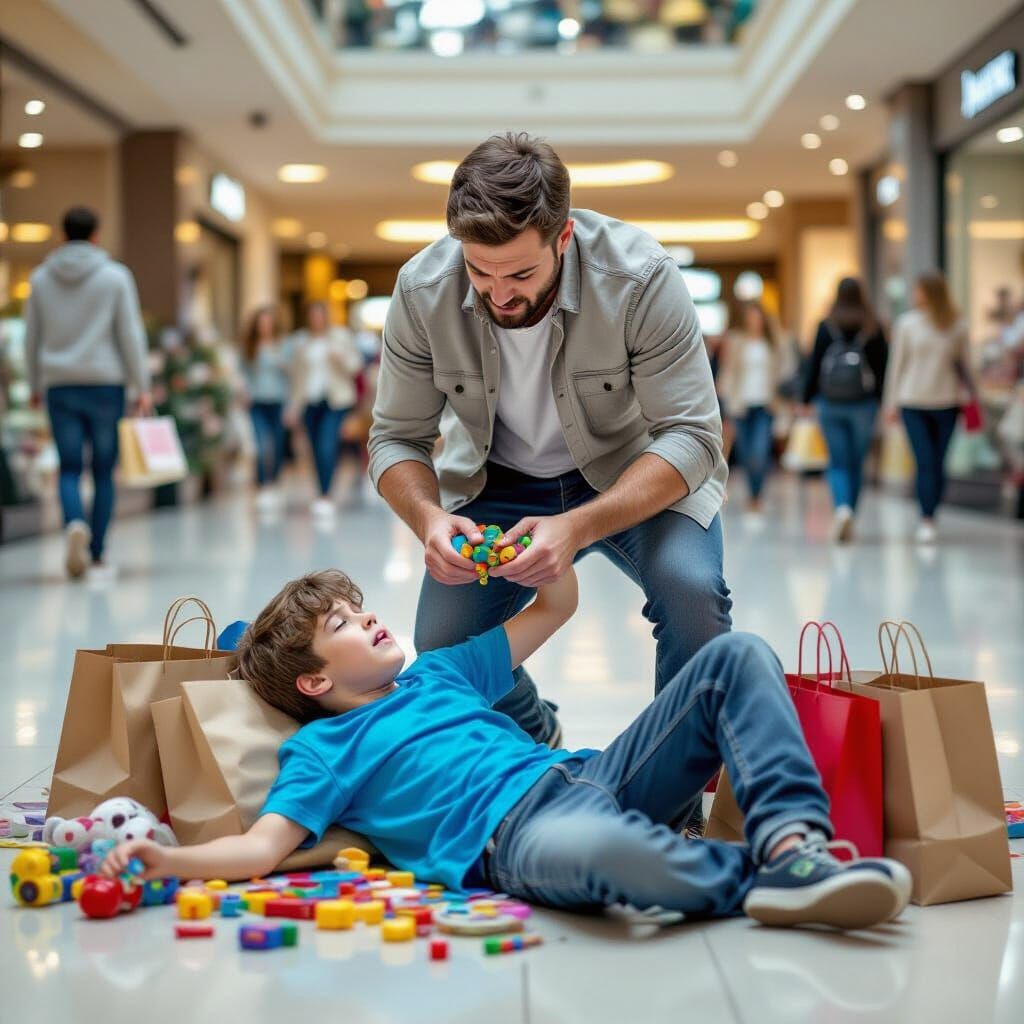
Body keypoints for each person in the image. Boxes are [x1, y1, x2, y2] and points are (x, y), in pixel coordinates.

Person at [100, 568, 910, 931]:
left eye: (357, 605)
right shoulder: (325, 750)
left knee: (736, 656)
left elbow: (556, 604)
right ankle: (761, 884)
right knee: (613, 853)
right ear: (312, 684)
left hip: (589, 774)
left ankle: (794, 848)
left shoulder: (442, 672)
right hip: (516, 839)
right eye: (340, 624)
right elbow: (258, 848)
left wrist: (518, 554)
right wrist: (162, 862)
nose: (367, 616)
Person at [368, 132, 732, 769]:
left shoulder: (640, 276)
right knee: (444, 644)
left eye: (520, 274)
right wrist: (428, 520)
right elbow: (395, 437)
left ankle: (677, 787)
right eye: (479, 271)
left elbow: (694, 436)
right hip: (495, 484)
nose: (498, 293)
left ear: (563, 238)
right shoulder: (422, 290)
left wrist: (579, 523)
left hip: (632, 472)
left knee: (692, 593)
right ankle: (536, 734)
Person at [23, 206, 151, 580]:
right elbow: (130, 334)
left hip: (60, 384)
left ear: (62, 235)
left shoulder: (42, 278)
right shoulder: (114, 277)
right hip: (105, 385)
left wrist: (34, 384)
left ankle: (74, 522)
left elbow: (33, 337)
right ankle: (96, 554)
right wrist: (141, 385)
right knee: (103, 470)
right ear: (96, 235)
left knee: (69, 467)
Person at [884, 272, 977, 544]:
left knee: (938, 463)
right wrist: (891, 403)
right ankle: (927, 517)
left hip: (947, 402)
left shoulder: (957, 325)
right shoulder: (907, 324)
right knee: (924, 461)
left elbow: (966, 367)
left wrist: (973, 400)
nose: (915, 296)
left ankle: (933, 508)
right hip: (913, 401)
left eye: (919, 290)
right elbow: (897, 365)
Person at [801, 277, 888, 543]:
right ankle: (851, 510)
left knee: (837, 461)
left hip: (831, 403)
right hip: (863, 405)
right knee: (856, 462)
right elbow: (883, 368)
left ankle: (842, 508)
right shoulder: (873, 326)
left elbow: (814, 365)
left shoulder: (826, 326)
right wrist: (880, 401)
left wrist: (806, 399)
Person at [285, 301, 364, 520]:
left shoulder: (340, 337)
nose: (316, 320)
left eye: (320, 315)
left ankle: (327, 495)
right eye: (313, 315)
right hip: (310, 402)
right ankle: (321, 492)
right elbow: (297, 378)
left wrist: (340, 358)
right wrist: (293, 406)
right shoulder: (301, 341)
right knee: (314, 449)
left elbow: (355, 367)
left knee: (326, 446)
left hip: (335, 401)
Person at [717, 301, 789, 512]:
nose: (753, 320)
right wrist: (723, 392)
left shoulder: (773, 342)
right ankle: (753, 491)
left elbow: (785, 369)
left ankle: (757, 494)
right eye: (750, 316)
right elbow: (728, 369)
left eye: (757, 316)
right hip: (741, 404)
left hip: (766, 405)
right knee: (747, 453)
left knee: (760, 451)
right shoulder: (737, 340)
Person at [241, 305, 290, 510]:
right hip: (257, 402)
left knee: (278, 444)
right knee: (261, 444)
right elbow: (242, 372)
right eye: (261, 323)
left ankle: (274, 482)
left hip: (279, 401)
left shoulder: (284, 345)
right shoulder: (250, 347)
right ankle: (262, 485)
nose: (265, 326)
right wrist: (243, 391)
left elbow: (292, 373)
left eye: (268, 323)